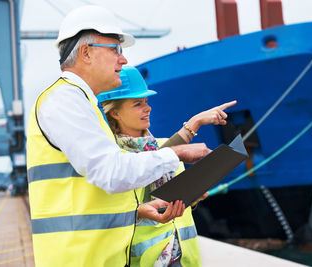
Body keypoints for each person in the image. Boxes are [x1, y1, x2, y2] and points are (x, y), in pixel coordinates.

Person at [26, 5, 211, 267]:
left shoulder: (82, 105)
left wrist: (135, 213)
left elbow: (92, 196)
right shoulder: (63, 100)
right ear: (86, 52)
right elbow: (111, 173)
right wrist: (176, 153)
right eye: (115, 50)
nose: (123, 60)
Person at [98, 66, 237, 266]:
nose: (148, 108)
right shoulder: (113, 158)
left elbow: (174, 192)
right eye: (138, 104)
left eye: (146, 102)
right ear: (115, 113)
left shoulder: (165, 149)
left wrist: (193, 198)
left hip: (184, 256)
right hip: (146, 260)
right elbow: (113, 210)